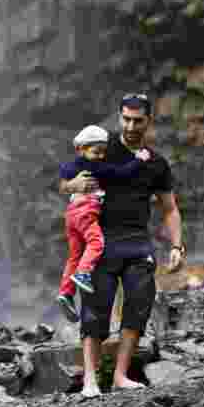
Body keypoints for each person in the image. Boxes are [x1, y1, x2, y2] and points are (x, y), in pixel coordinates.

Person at [59, 93, 184, 397]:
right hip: (100, 241)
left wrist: (177, 246)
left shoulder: (156, 163)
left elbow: (169, 208)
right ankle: (90, 379)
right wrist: (73, 186)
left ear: (148, 121)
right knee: (94, 309)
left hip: (138, 242)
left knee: (139, 305)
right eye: (125, 119)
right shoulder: (102, 147)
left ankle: (120, 375)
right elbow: (65, 181)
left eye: (137, 120)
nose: (130, 125)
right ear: (119, 117)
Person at [56, 125, 151, 323]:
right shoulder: (96, 167)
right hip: (85, 212)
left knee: (75, 255)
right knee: (96, 243)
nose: (100, 156)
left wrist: (71, 182)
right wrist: (139, 159)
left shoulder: (74, 165)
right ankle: (83, 275)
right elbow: (121, 173)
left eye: (102, 152)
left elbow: (63, 172)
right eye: (95, 152)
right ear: (82, 149)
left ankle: (66, 292)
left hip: (71, 214)